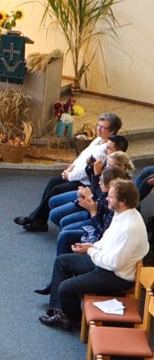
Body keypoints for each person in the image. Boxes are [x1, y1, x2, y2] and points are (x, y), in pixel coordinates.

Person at [38, 179, 149, 331]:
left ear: (122, 201)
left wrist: (90, 251)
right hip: (105, 262)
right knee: (61, 262)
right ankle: (59, 312)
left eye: (110, 197)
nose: (106, 199)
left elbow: (113, 264)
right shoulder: (121, 213)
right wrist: (92, 246)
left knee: (65, 288)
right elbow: (107, 240)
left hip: (116, 275)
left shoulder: (129, 228)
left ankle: (72, 319)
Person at [14, 113, 122, 232]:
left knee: (56, 190)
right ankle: (40, 221)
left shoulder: (106, 149)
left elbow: (84, 171)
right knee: (52, 182)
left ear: (112, 131)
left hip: (85, 182)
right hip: (74, 174)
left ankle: (33, 218)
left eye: (103, 127)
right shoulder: (99, 139)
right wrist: (69, 167)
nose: (98, 129)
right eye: (98, 125)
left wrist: (69, 175)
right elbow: (83, 156)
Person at [34, 167, 128, 295]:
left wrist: (93, 210)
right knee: (65, 234)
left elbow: (102, 232)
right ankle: (57, 281)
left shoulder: (115, 208)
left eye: (101, 181)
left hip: (101, 243)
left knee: (65, 235)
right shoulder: (111, 200)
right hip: (98, 234)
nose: (99, 183)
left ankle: (60, 282)